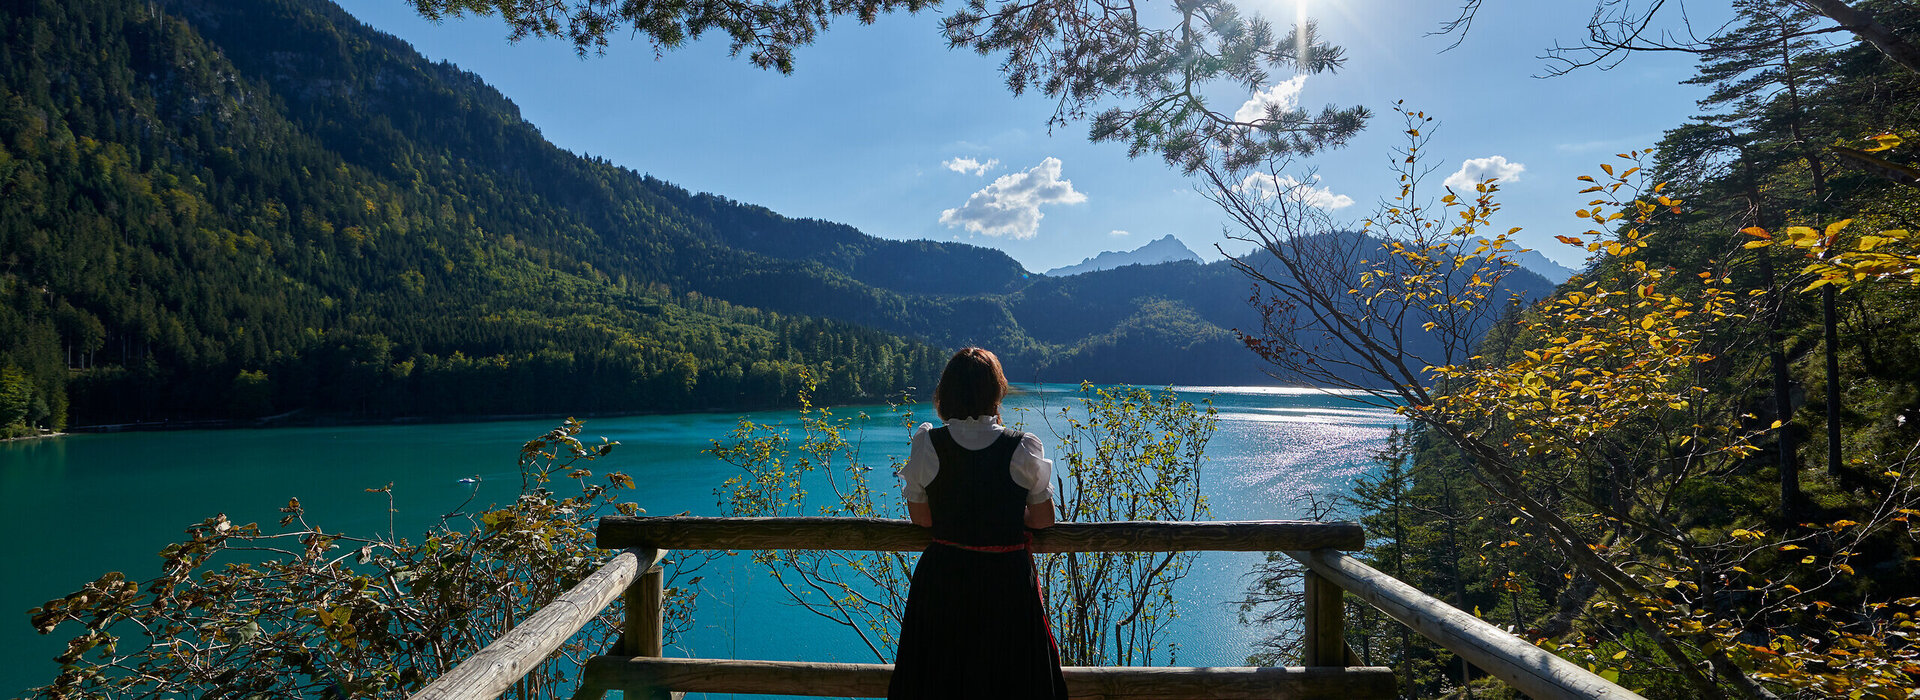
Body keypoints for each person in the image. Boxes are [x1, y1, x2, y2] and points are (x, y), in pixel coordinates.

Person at [888, 347, 1068, 700]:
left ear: (947, 393)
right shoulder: (1021, 447)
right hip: (1007, 584)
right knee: (1009, 682)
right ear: (995, 391)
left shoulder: (928, 444)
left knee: (941, 681)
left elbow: (922, 519)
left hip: (944, 582)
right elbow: (1044, 520)